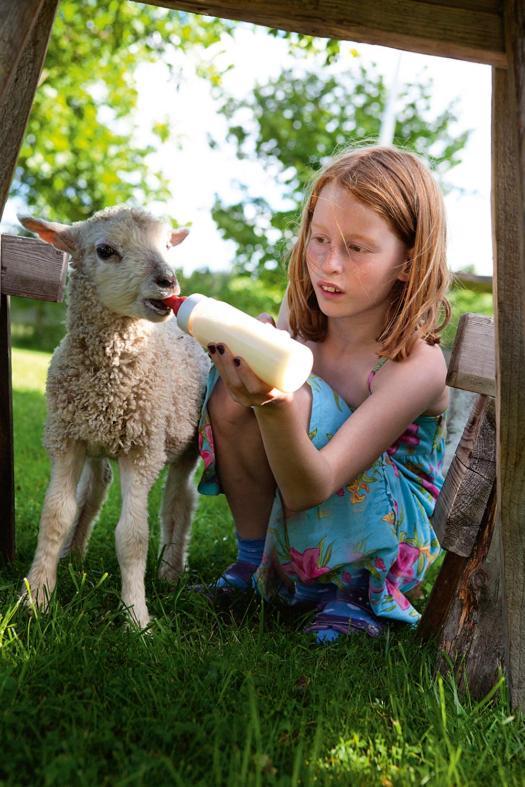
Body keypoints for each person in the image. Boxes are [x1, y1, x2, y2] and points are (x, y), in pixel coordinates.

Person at [197, 145, 450, 643]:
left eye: (357, 248)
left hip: (392, 537)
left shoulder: (416, 364)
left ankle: (353, 594)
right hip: (301, 512)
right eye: (319, 239)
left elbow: (311, 485)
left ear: (408, 261)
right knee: (232, 386)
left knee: (299, 393)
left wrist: (275, 402)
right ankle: (254, 562)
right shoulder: (304, 313)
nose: (329, 265)